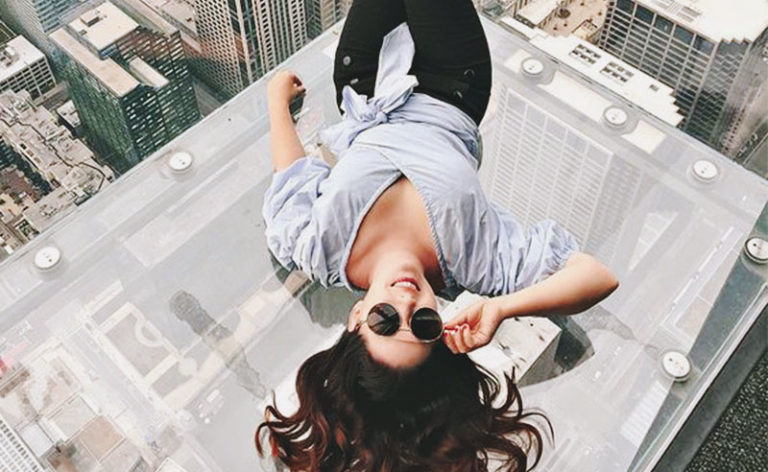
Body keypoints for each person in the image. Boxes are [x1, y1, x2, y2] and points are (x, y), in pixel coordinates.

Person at [256, 0, 619, 469]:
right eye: (424, 325)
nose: (407, 303)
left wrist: (276, 103)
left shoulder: (316, 249)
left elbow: (292, 174)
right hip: (454, 84)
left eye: (385, 320)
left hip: (366, 79)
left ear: (357, 318)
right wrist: (503, 308)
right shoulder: (476, 263)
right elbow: (598, 277)